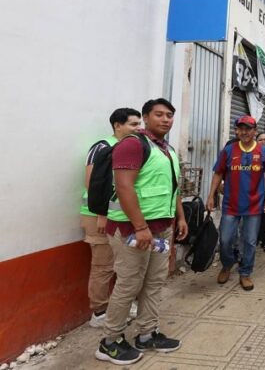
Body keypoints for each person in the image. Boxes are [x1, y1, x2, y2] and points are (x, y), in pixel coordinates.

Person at [95, 98, 188, 365]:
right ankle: (110, 341)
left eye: (170, 115)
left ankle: (147, 333)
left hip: (161, 228)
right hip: (132, 230)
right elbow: (124, 187)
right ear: (146, 117)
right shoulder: (133, 144)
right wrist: (140, 227)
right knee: (129, 284)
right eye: (159, 114)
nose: (166, 119)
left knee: (154, 282)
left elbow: (174, 188)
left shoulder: (166, 149)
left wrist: (179, 218)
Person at [82, 108, 141, 328]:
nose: (139, 128)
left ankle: (118, 307)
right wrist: (102, 214)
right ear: (117, 125)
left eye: (139, 124)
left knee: (123, 264)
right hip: (100, 217)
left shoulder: (132, 148)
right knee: (103, 265)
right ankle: (99, 312)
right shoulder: (103, 147)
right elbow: (93, 184)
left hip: (121, 217)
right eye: (133, 124)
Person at [207, 116, 265, 291]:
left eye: (248, 128)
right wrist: (210, 195)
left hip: (254, 205)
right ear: (236, 130)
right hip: (231, 204)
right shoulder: (228, 151)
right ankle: (227, 264)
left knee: (250, 241)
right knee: (226, 238)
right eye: (241, 128)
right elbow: (218, 174)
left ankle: (245, 272)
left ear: (254, 131)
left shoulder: (263, 152)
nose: (244, 132)